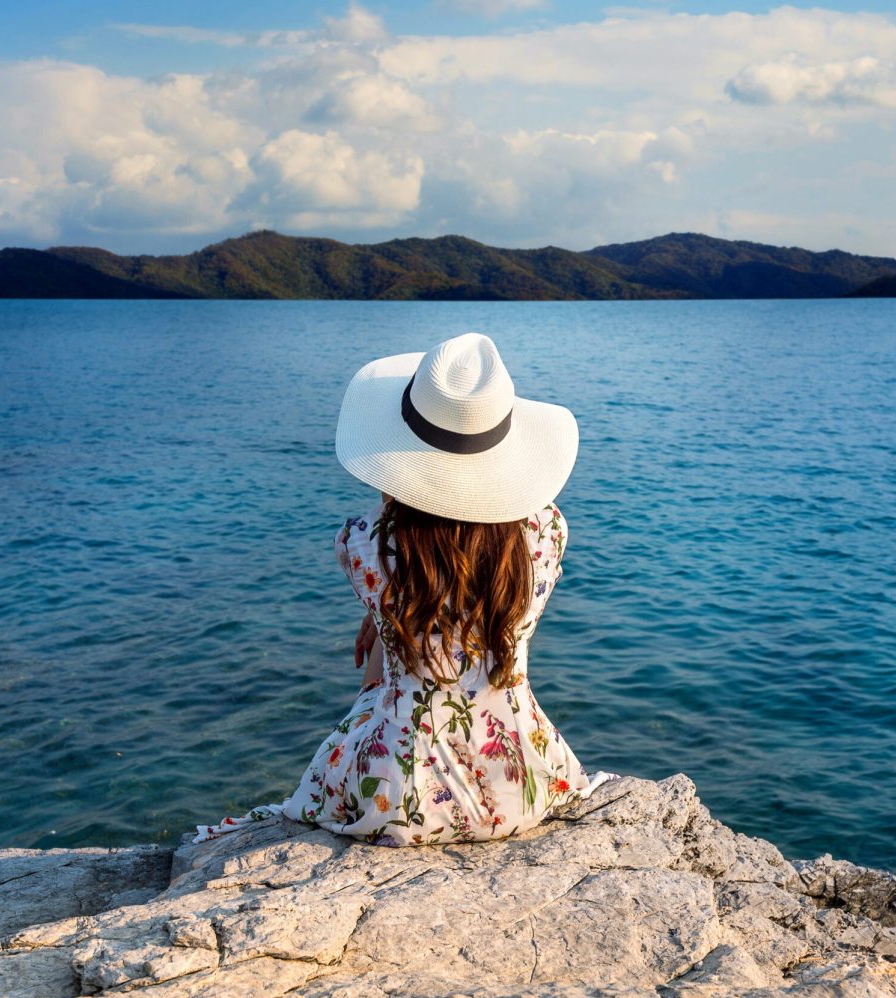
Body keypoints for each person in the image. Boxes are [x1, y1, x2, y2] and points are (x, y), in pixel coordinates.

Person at [192, 331, 618, 846]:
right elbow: (472, 609)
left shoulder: (359, 544)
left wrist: (383, 615)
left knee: (373, 706)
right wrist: (384, 616)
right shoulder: (547, 530)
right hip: (521, 784)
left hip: (397, 801)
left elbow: (408, 610)